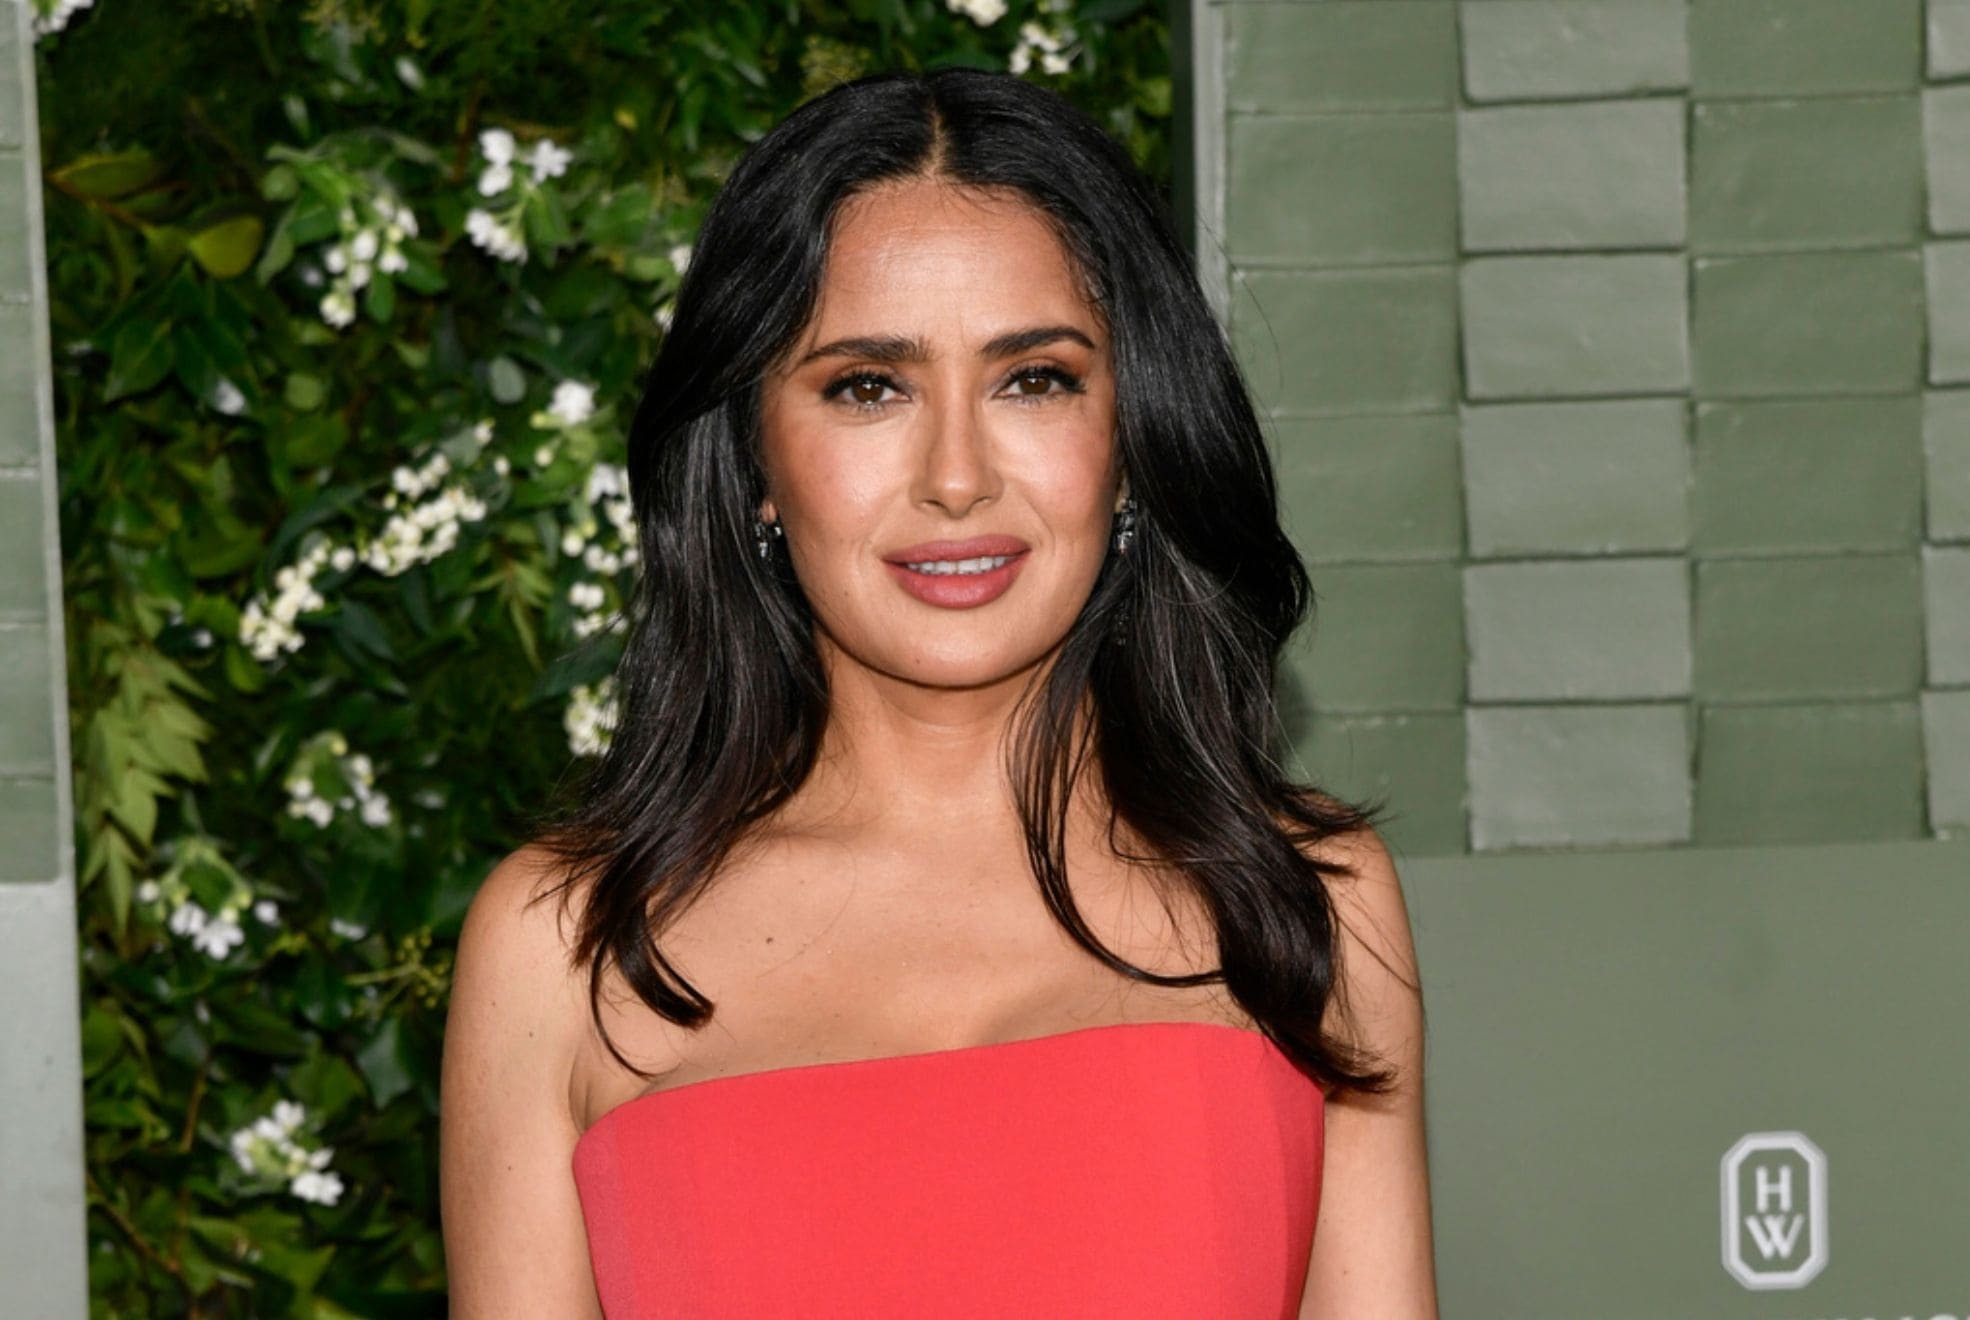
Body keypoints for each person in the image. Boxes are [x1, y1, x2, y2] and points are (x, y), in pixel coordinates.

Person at [439, 66, 1434, 1317]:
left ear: (1131, 443)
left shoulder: (1306, 908)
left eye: (1034, 379)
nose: (956, 476)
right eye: (868, 386)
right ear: (753, 457)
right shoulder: (566, 948)